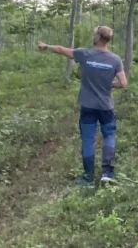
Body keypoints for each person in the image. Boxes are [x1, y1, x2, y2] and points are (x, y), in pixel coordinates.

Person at [38, 26, 128, 187]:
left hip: (88, 106)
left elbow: (61, 49)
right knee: (109, 136)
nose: (92, 35)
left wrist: (46, 46)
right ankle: (107, 173)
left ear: (99, 38)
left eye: (94, 34)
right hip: (106, 107)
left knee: (88, 140)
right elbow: (123, 83)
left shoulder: (85, 54)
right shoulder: (115, 59)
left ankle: (88, 178)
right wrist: (108, 85)